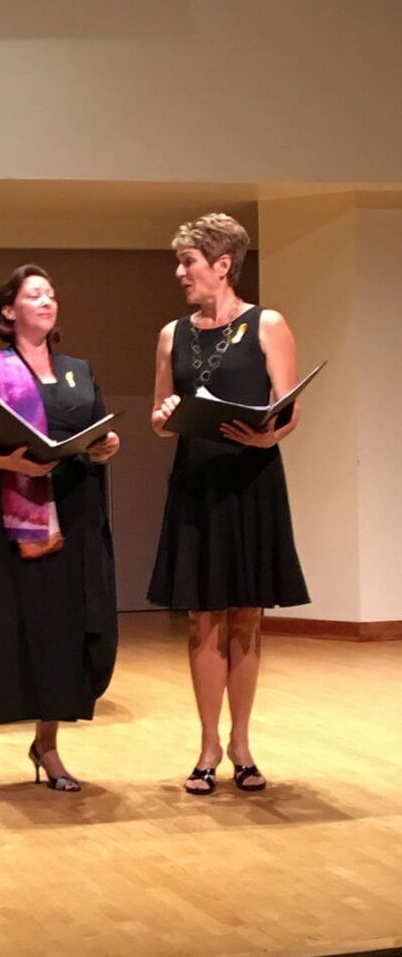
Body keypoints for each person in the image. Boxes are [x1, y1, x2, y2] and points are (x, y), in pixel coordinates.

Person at [148, 214, 309, 795]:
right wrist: (166, 417)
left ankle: (241, 745)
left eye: (188, 261)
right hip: (197, 481)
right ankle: (208, 746)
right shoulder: (172, 334)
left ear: (222, 265)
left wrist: (268, 437)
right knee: (202, 616)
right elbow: (159, 418)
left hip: (250, 478)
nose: (180, 273)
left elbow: (288, 408)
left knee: (246, 614)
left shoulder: (268, 323)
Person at [0, 264, 120, 798]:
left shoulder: (78, 370)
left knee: (60, 630)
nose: (47, 301)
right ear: (9, 310)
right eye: (34, 295)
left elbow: (97, 432)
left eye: (51, 293)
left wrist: (107, 447)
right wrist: (12, 464)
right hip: (4, 517)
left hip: (71, 512)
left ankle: (46, 744)